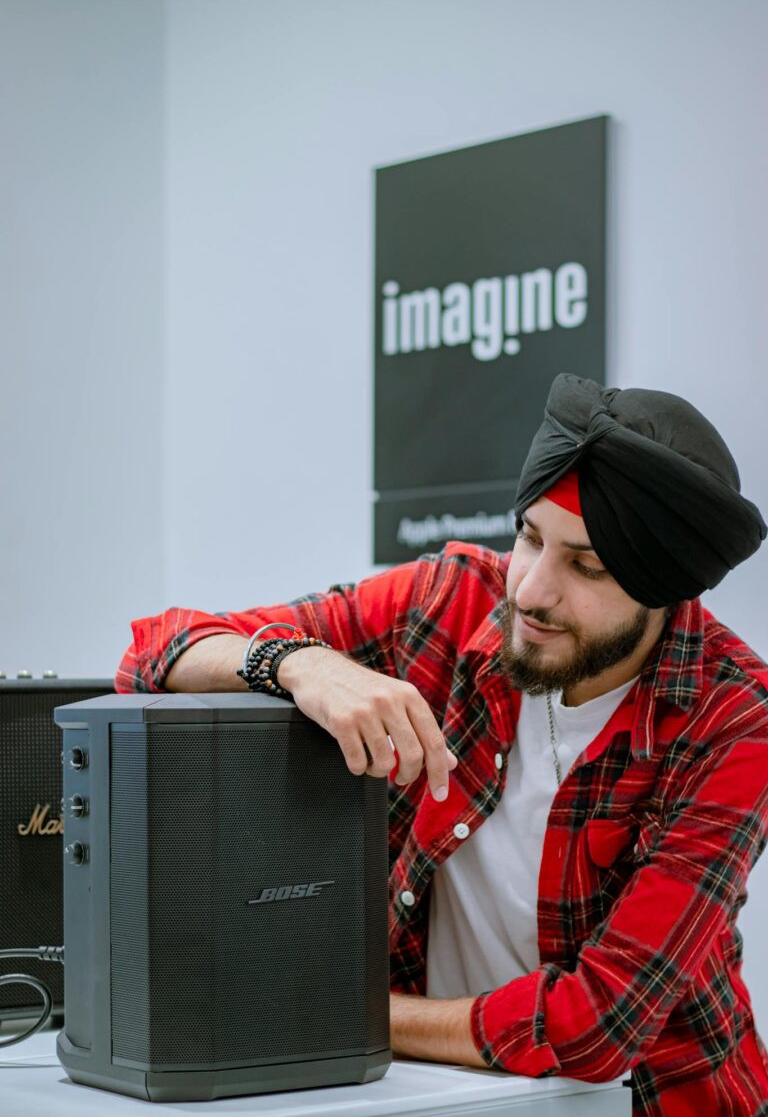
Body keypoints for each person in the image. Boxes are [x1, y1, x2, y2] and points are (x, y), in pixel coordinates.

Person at [117, 374, 768, 1115]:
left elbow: (599, 1027)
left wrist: (338, 1014)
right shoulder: (450, 602)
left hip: (655, 1102)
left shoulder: (734, 718)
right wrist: (300, 664)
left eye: (586, 566)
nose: (530, 590)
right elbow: (154, 650)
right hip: (446, 1095)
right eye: (528, 536)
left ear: (664, 589)